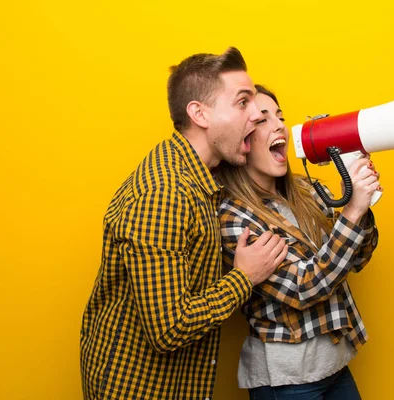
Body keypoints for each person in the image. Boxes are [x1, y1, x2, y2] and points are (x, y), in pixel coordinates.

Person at [80, 48, 288, 400]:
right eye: (242, 103)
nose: (256, 116)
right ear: (199, 114)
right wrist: (244, 277)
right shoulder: (165, 194)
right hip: (138, 391)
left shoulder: (200, 178)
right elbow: (169, 329)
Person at [217, 85, 380, 399]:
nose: (280, 125)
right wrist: (353, 209)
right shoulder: (234, 218)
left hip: (335, 365)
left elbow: (357, 259)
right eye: (262, 120)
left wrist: (363, 203)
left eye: (280, 117)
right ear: (242, 142)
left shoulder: (307, 190)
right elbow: (305, 287)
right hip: (287, 381)